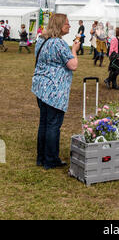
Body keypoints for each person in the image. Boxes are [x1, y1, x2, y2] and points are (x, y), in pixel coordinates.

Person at [32, 13, 80, 170]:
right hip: (54, 91)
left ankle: (41, 157)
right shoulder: (58, 44)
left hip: (41, 88)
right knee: (53, 125)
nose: (69, 26)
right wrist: (74, 49)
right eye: (67, 23)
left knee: (44, 123)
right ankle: (51, 159)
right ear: (59, 25)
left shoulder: (41, 40)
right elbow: (73, 65)